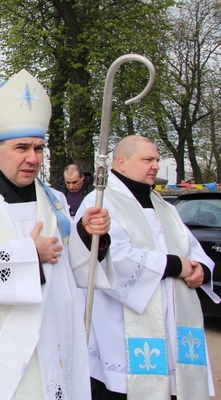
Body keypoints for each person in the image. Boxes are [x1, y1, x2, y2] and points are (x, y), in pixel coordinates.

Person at [0, 69, 114, 399]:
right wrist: (29, 255)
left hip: (49, 340)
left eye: (39, 149)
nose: (33, 158)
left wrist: (87, 236)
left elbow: (68, 269)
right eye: (22, 148)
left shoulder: (54, 201)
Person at [76, 135, 218, 398]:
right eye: (147, 160)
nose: (155, 165)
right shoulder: (101, 203)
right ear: (122, 162)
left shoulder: (163, 205)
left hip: (173, 322)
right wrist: (175, 266)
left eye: (156, 159)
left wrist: (202, 270)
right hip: (124, 325)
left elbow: (190, 246)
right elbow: (113, 259)